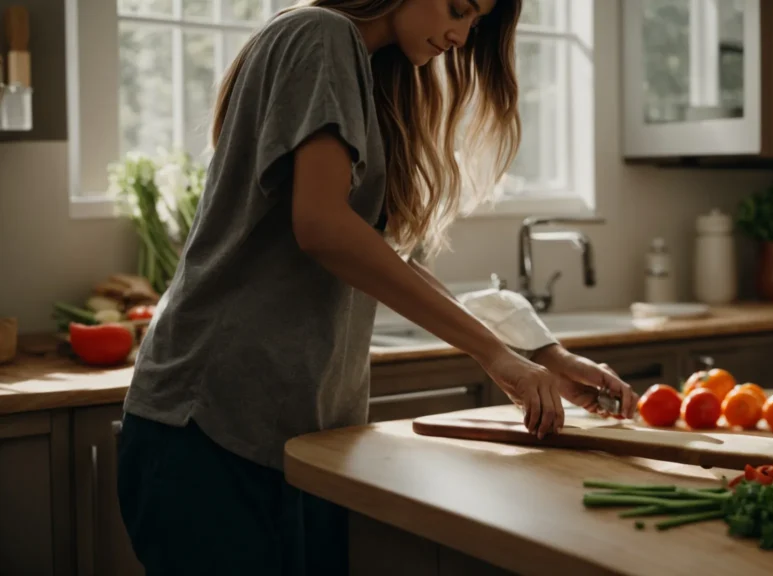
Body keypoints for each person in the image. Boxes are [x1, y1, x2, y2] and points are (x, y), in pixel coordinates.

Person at [116, 0, 639, 574]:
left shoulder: (367, 70)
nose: (462, 35)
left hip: (289, 435)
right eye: (459, 8)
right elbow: (323, 229)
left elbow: (376, 253)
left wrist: (534, 355)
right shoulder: (321, 34)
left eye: (476, 23)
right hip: (206, 425)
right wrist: (494, 354)